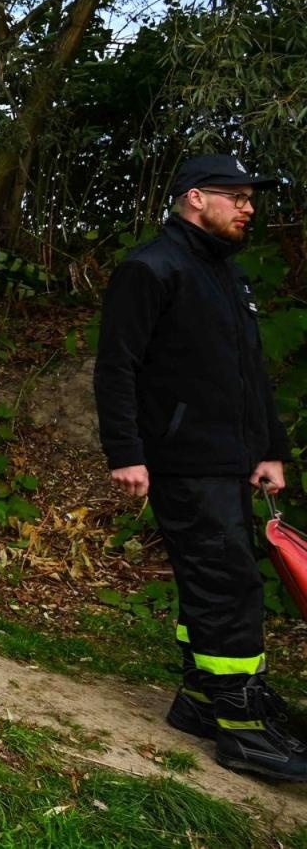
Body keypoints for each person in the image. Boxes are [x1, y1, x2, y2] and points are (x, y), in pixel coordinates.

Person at [94, 152, 299, 781]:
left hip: (233, 460)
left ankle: (204, 698)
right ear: (195, 199)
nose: (249, 207)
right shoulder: (150, 268)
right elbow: (117, 367)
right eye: (236, 196)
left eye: (250, 197)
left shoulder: (228, 275)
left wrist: (271, 449)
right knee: (227, 585)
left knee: (220, 584)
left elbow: (249, 375)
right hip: (184, 462)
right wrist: (126, 453)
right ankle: (240, 729)